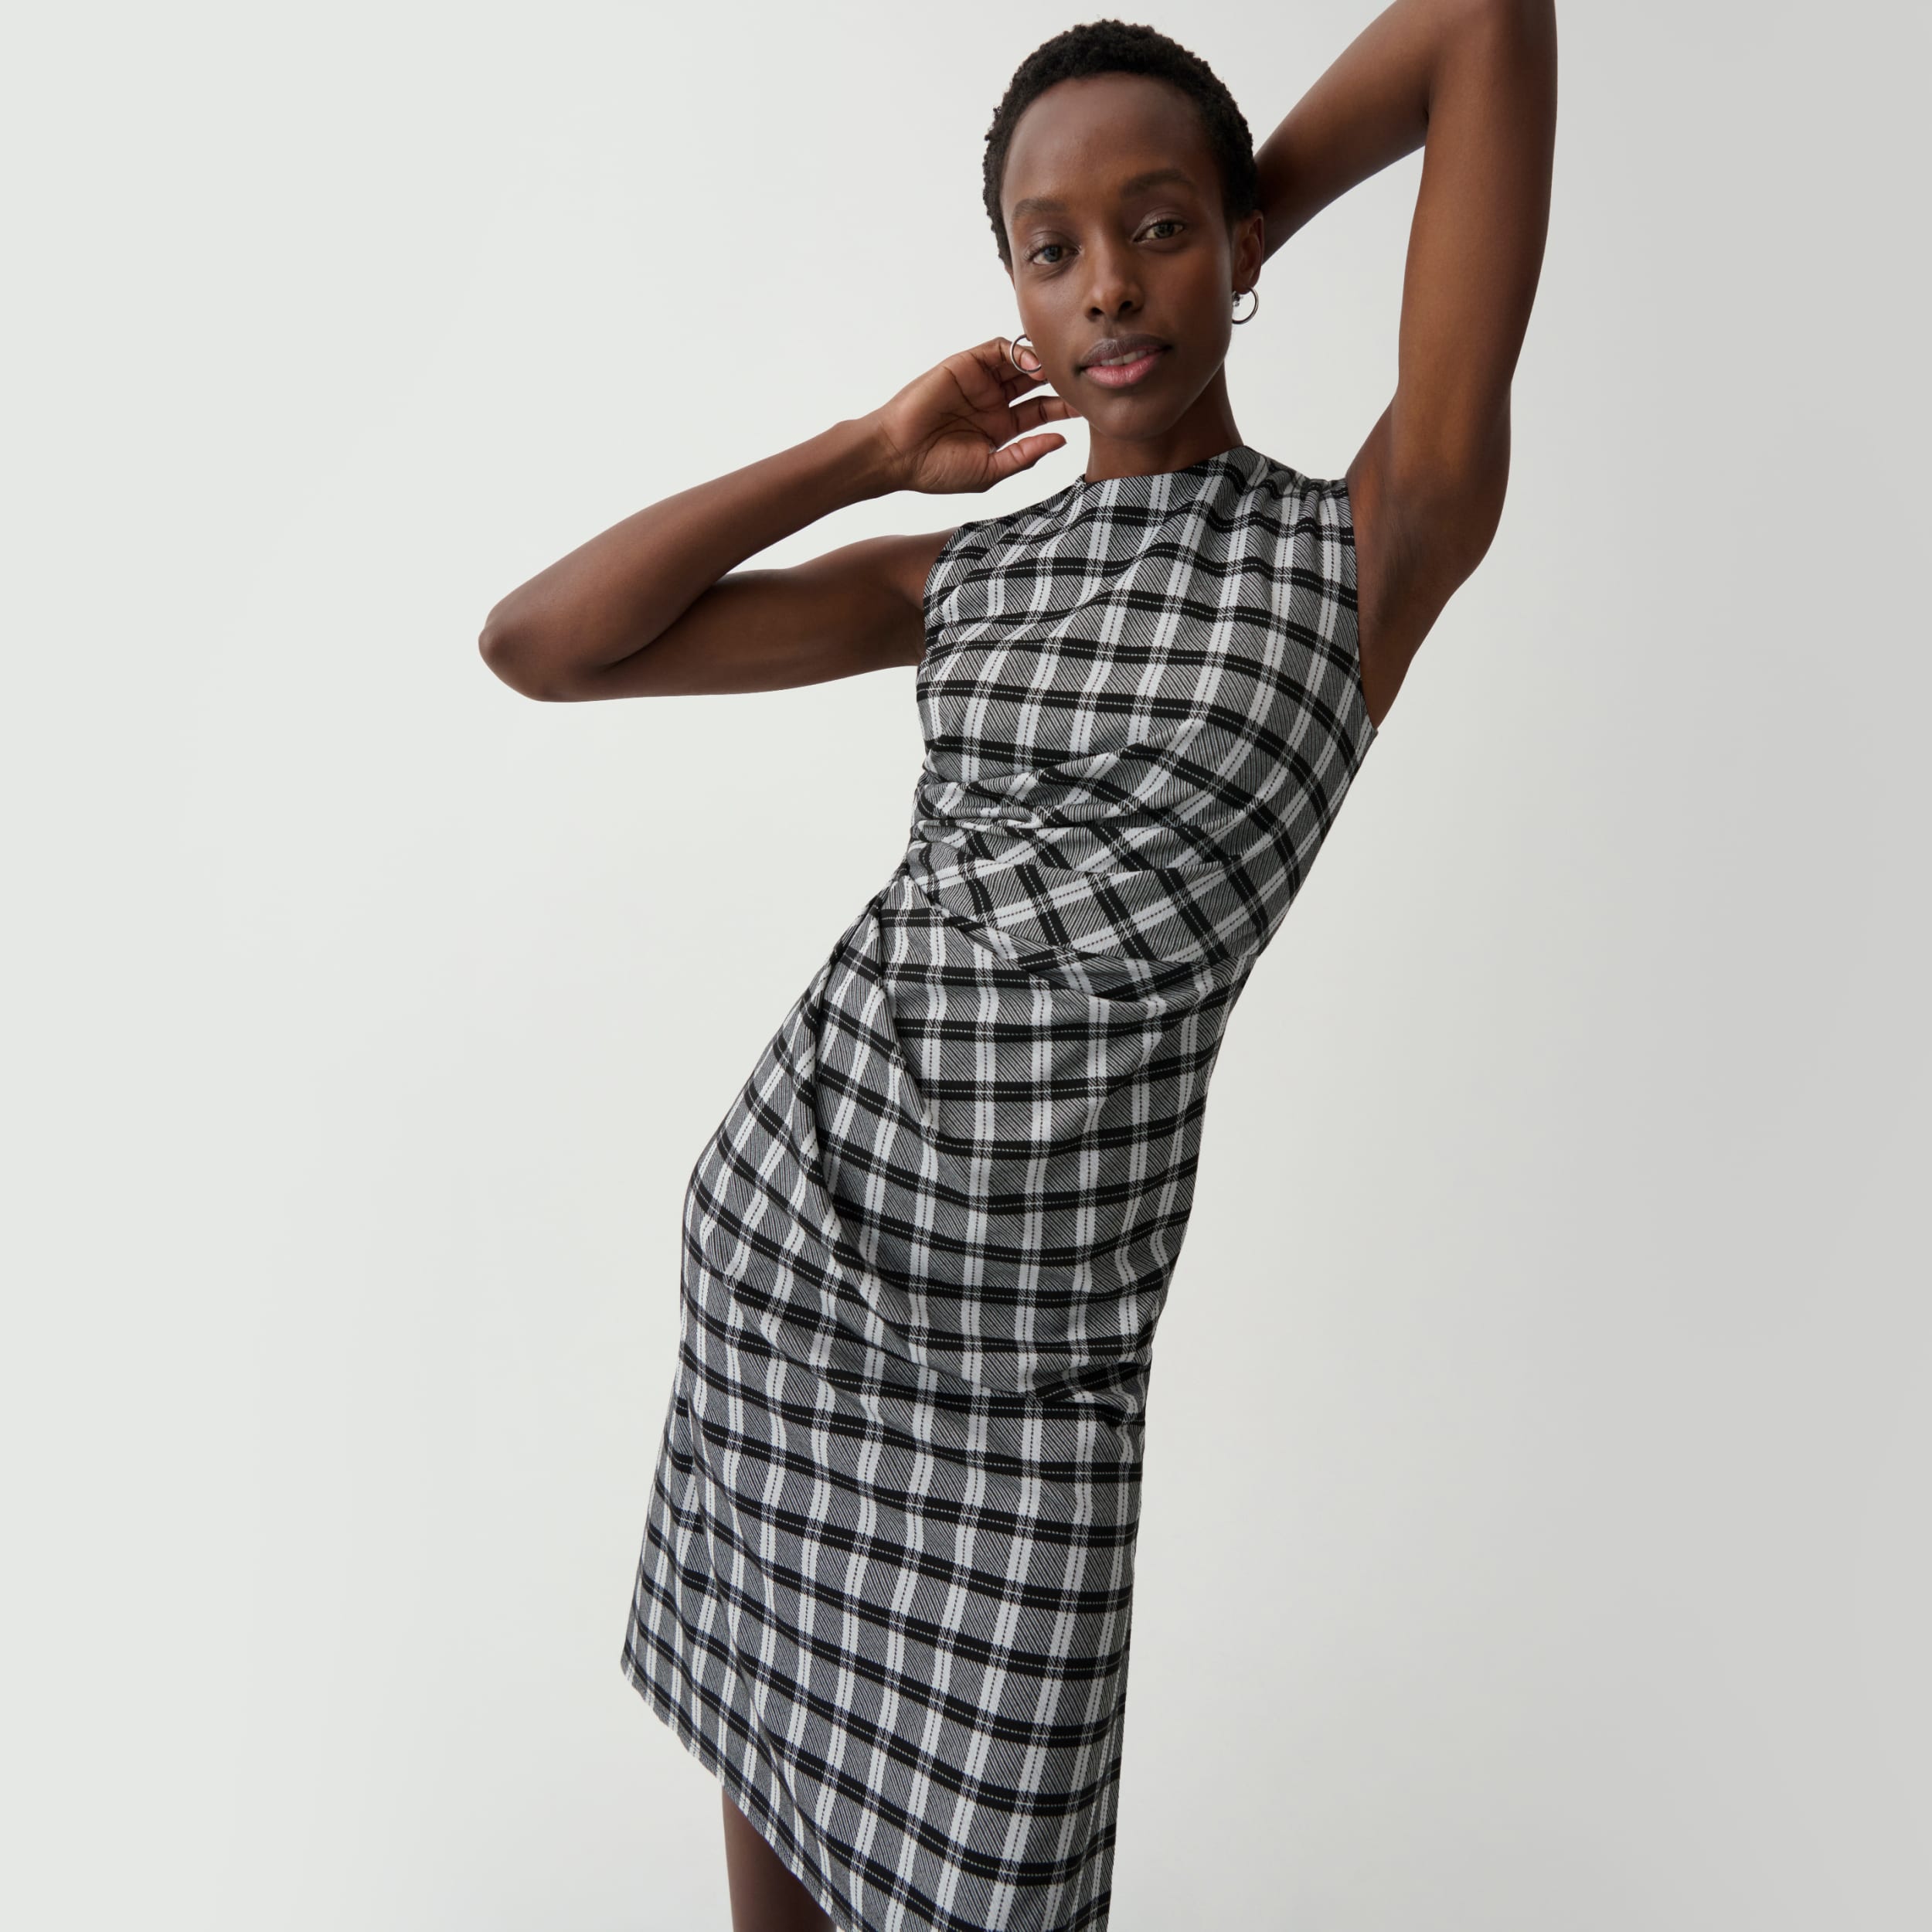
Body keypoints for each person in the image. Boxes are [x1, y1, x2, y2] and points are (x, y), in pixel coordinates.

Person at [478, 5, 1556, 1926]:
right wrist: (868, 454)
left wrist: (1235, 233)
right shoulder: (963, 577)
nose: (1101, 286)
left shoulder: (1367, 543)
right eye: (1046, 252)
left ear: (1227, 238)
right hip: (792, 1275)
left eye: (1150, 227)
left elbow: (1479, 19)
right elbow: (544, 641)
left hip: (1038, 1378)